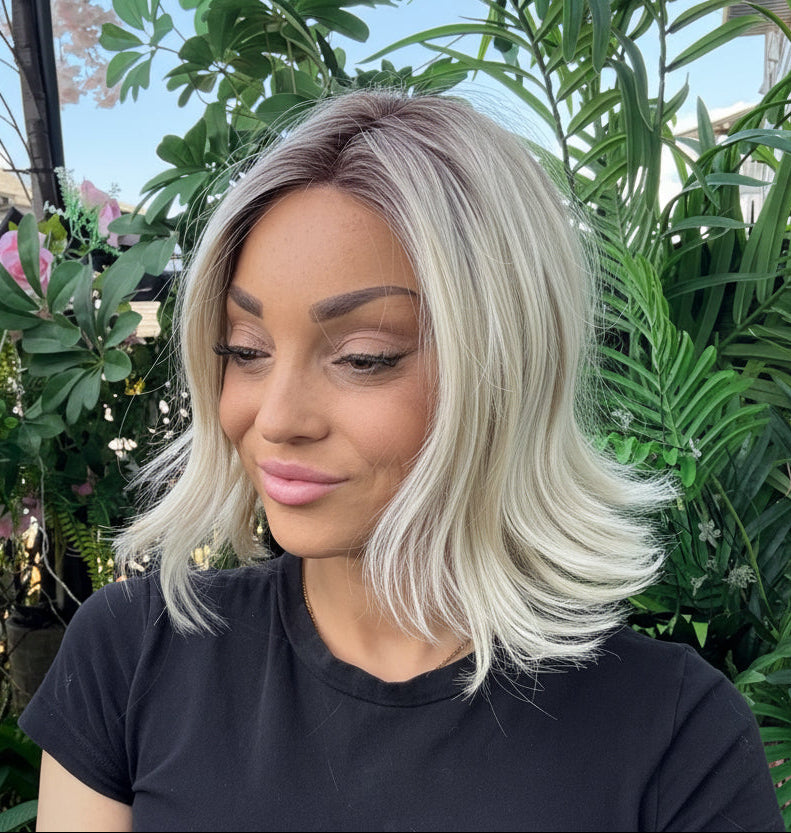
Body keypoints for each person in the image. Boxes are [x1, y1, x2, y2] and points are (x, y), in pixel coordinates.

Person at [20, 90, 783, 832]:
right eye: (245, 350)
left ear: (503, 371)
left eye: (362, 357)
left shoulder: (672, 735)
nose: (276, 417)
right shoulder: (132, 653)